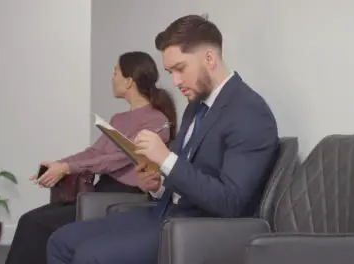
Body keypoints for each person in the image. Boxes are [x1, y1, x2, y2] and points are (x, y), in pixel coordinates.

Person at [46, 14, 279, 264]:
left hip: (195, 229)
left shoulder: (249, 112)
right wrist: (157, 185)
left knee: (89, 255)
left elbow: (231, 201)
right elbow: (182, 175)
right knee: (61, 241)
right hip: (164, 213)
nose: (175, 81)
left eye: (180, 69)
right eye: (171, 72)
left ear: (209, 58)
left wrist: (166, 159)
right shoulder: (197, 105)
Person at [5, 51, 178, 264]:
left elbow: (117, 158)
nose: (112, 78)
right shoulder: (119, 118)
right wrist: (60, 164)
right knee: (29, 220)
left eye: (115, 72)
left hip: (126, 196)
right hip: (99, 192)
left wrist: (68, 168)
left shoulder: (156, 120)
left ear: (129, 81)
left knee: (37, 224)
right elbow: (95, 153)